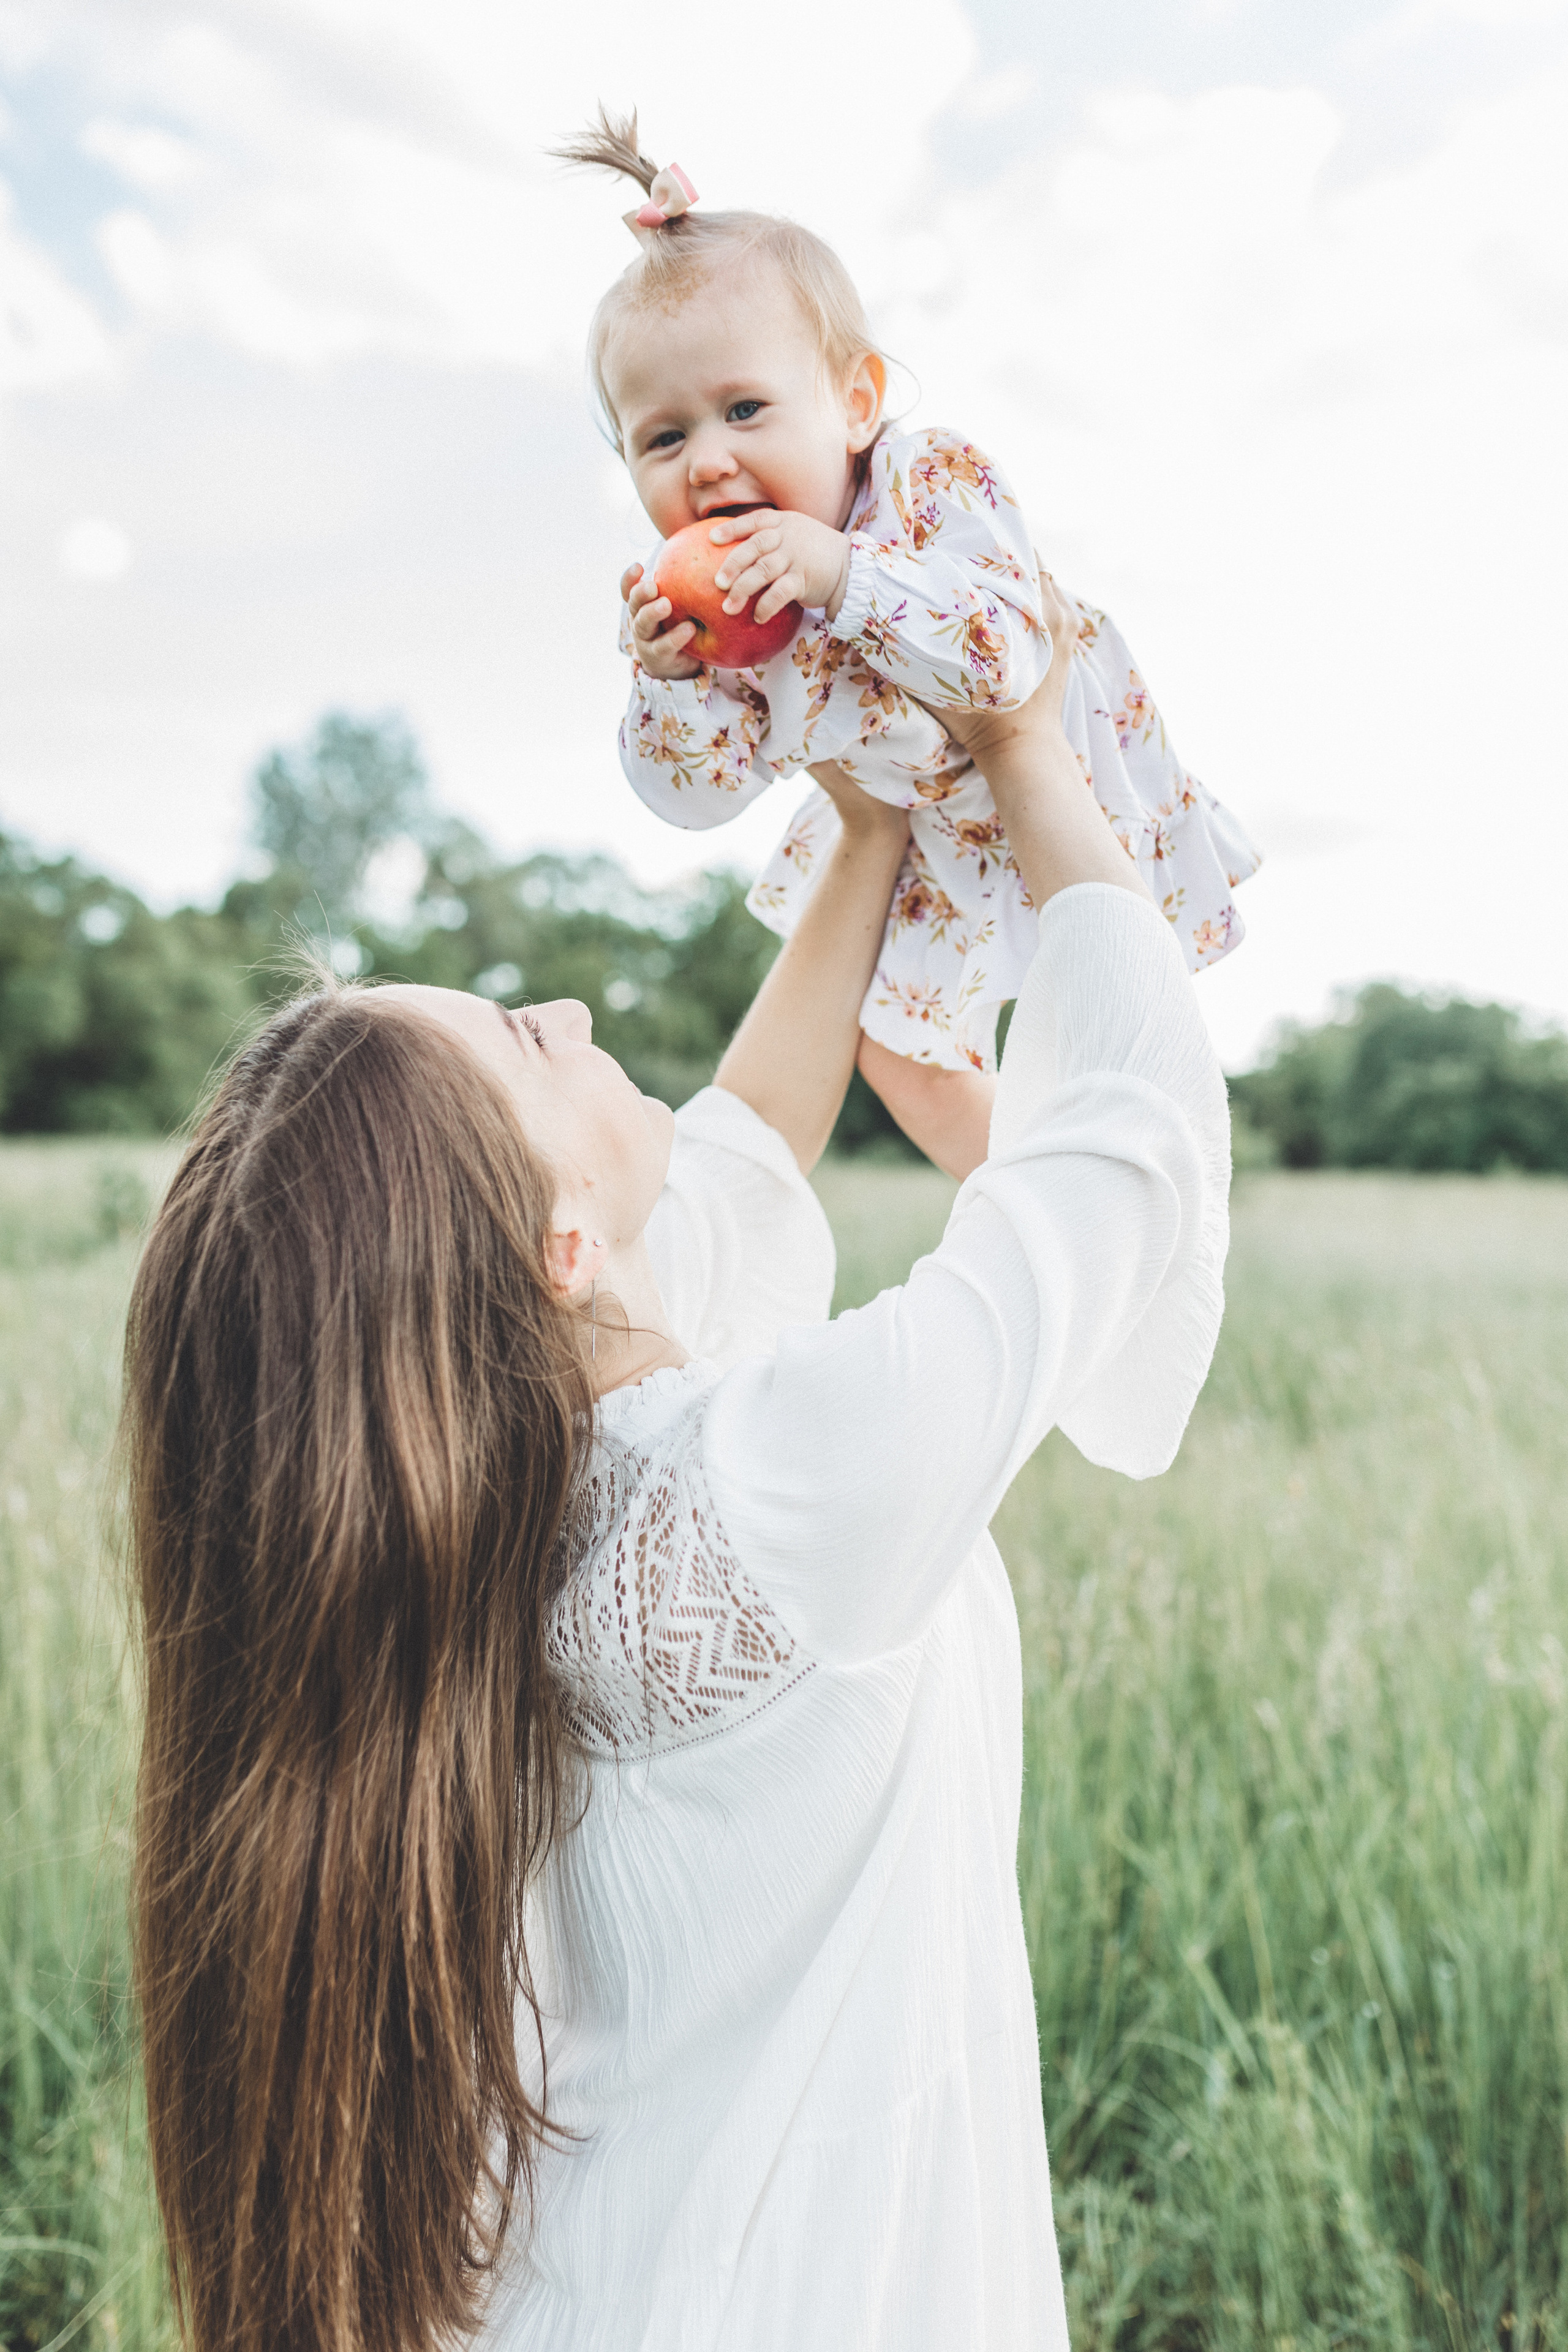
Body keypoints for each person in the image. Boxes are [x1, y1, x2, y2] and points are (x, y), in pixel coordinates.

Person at [123, 579, 1231, 2352]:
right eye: (521, 1043)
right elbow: (1118, 1159)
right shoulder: (759, 1486)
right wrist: (1025, 730)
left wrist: (867, 825)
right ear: (560, 1248)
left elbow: (738, 1168)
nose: (564, 1008)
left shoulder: (519, 1462)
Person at [556, 105, 1258, 1178]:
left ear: (855, 401)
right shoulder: (699, 606)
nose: (706, 462)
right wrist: (673, 686)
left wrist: (839, 573)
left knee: (1108, 1006)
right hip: (929, 830)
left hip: (1060, 774)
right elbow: (696, 798)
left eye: (745, 409)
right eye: (664, 436)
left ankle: (1155, 1190)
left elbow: (1008, 667)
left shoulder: (929, 487)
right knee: (900, 1054)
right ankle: (1045, 1217)